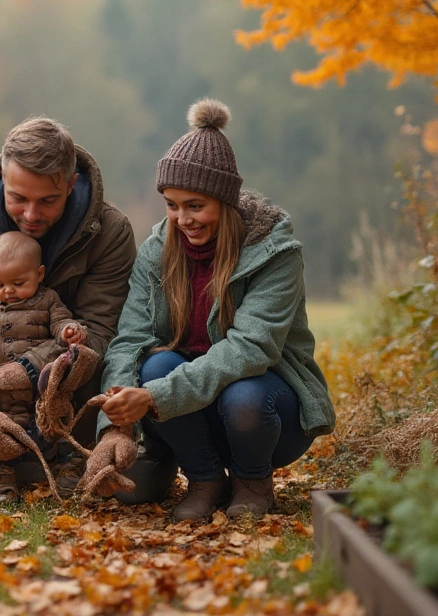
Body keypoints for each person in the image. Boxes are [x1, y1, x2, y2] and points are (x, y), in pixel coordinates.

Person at [82, 98, 336, 521]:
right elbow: (130, 338)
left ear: (225, 201)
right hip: (189, 413)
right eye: (171, 204)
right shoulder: (155, 253)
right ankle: (204, 480)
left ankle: (252, 481)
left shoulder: (275, 254)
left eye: (195, 205)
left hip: (268, 415)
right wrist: (116, 425)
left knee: (243, 393)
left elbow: (251, 348)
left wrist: (156, 397)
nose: (182, 219)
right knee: (152, 366)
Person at [0, 115, 137, 490]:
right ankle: (5, 455)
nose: (31, 215)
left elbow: (102, 329)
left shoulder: (110, 232)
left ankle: (40, 457)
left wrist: (34, 369)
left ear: (71, 185)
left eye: (47, 201)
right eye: (18, 198)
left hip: (70, 384)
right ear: (3, 179)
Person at [0, 230, 89, 503]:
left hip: (39, 382)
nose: (8, 291)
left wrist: (67, 330)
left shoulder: (48, 299)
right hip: (1, 381)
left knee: (56, 418)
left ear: (39, 274)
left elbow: (60, 323)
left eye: (18, 282)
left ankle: (68, 465)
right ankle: (1, 474)